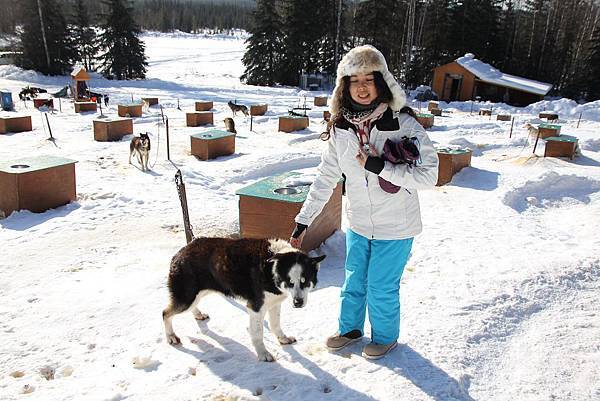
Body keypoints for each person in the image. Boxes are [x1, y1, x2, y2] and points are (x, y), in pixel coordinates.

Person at [289, 45, 439, 360]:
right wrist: (304, 219)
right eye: (353, 78)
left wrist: (379, 166)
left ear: (381, 82)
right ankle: (351, 330)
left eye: (369, 79)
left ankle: (385, 338)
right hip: (359, 224)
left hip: (396, 227)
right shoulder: (340, 129)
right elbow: (325, 177)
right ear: (344, 85)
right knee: (354, 282)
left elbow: (430, 175)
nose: (361, 86)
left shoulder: (403, 124)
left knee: (381, 288)